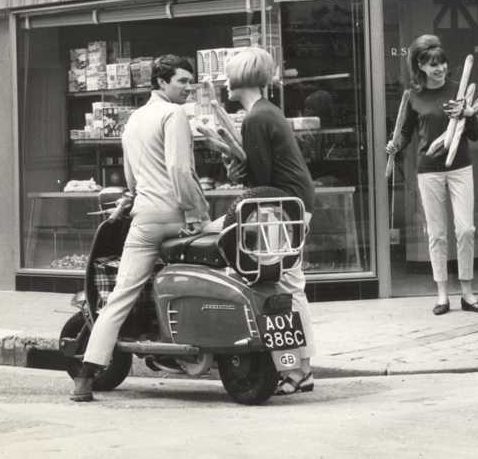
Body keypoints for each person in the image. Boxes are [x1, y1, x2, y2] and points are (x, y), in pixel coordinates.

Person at [71, 55, 211, 402]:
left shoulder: (134, 119)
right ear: (161, 82)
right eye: (181, 81)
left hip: (145, 219)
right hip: (176, 215)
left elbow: (131, 178)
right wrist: (197, 213)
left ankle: (85, 377)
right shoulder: (173, 114)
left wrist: (126, 203)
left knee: (120, 295)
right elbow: (180, 169)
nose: (187, 87)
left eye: (189, 81)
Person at [223, 47, 318, 395]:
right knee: (289, 286)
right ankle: (299, 368)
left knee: (285, 288)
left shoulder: (254, 119)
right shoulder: (267, 112)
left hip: (282, 209)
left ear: (239, 79)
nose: (224, 82)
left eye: (228, 75)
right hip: (292, 205)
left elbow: (260, 182)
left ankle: (298, 370)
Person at [385, 34, 478, 316]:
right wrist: (395, 145)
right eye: (433, 64)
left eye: (442, 63)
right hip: (428, 170)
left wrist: (468, 113)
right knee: (437, 234)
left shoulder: (460, 92)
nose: (440, 68)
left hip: (460, 167)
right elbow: (406, 133)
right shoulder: (413, 96)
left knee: (466, 229)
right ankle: (442, 295)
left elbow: (476, 135)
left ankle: (468, 293)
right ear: (420, 65)